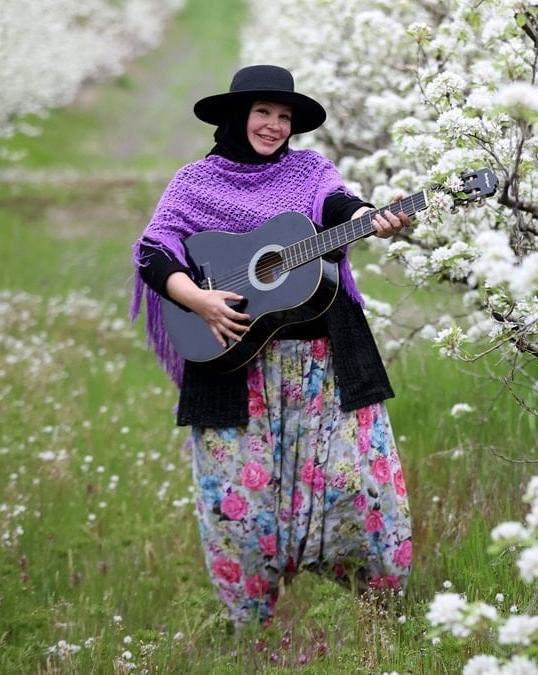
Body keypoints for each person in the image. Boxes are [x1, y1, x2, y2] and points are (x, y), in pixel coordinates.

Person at [130, 64, 412, 627]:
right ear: (238, 116)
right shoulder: (194, 183)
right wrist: (200, 301)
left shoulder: (309, 171)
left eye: (284, 117)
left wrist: (370, 218)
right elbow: (154, 249)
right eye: (264, 112)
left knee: (360, 487)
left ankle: (382, 609)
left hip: (323, 367)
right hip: (234, 367)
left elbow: (340, 206)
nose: (274, 126)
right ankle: (249, 625)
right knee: (237, 505)